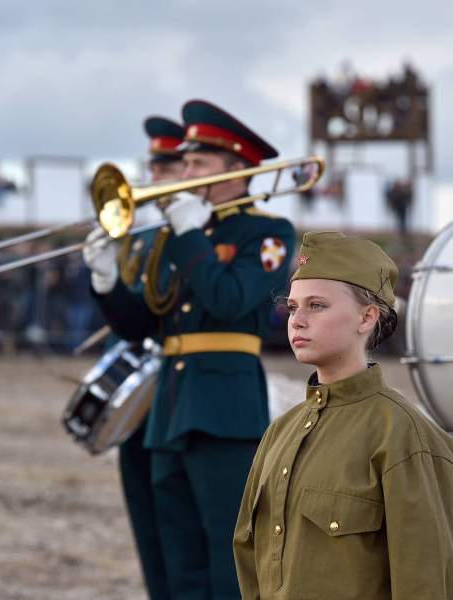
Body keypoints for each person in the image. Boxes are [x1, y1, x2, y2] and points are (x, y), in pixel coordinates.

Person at [84, 99, 295, 599]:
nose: (187, 172)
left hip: (224, 408)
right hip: (171, 408)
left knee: (227, 556)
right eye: (187, 163)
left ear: (238, 169)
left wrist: (188, 235)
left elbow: (229, 300)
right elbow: (142, 322)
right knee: (177, 559)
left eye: (200, 164)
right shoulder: (178, 233)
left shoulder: (266, 232)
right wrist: (107, 280)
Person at [233, 231, 453, 600]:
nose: (297, 320)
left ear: (366, 317)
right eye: (293, 307)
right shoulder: (280, 432)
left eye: (317, 306)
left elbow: (428, 584)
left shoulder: (406, 438)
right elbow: (251, 567)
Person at [112, 115, 186, 599]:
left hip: (181, 389)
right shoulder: (143, 233)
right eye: (153, 166)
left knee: (182, 528)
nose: (153, 176)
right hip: (141, 391)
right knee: (148, 525)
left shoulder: (190, 232)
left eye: (167, 166)